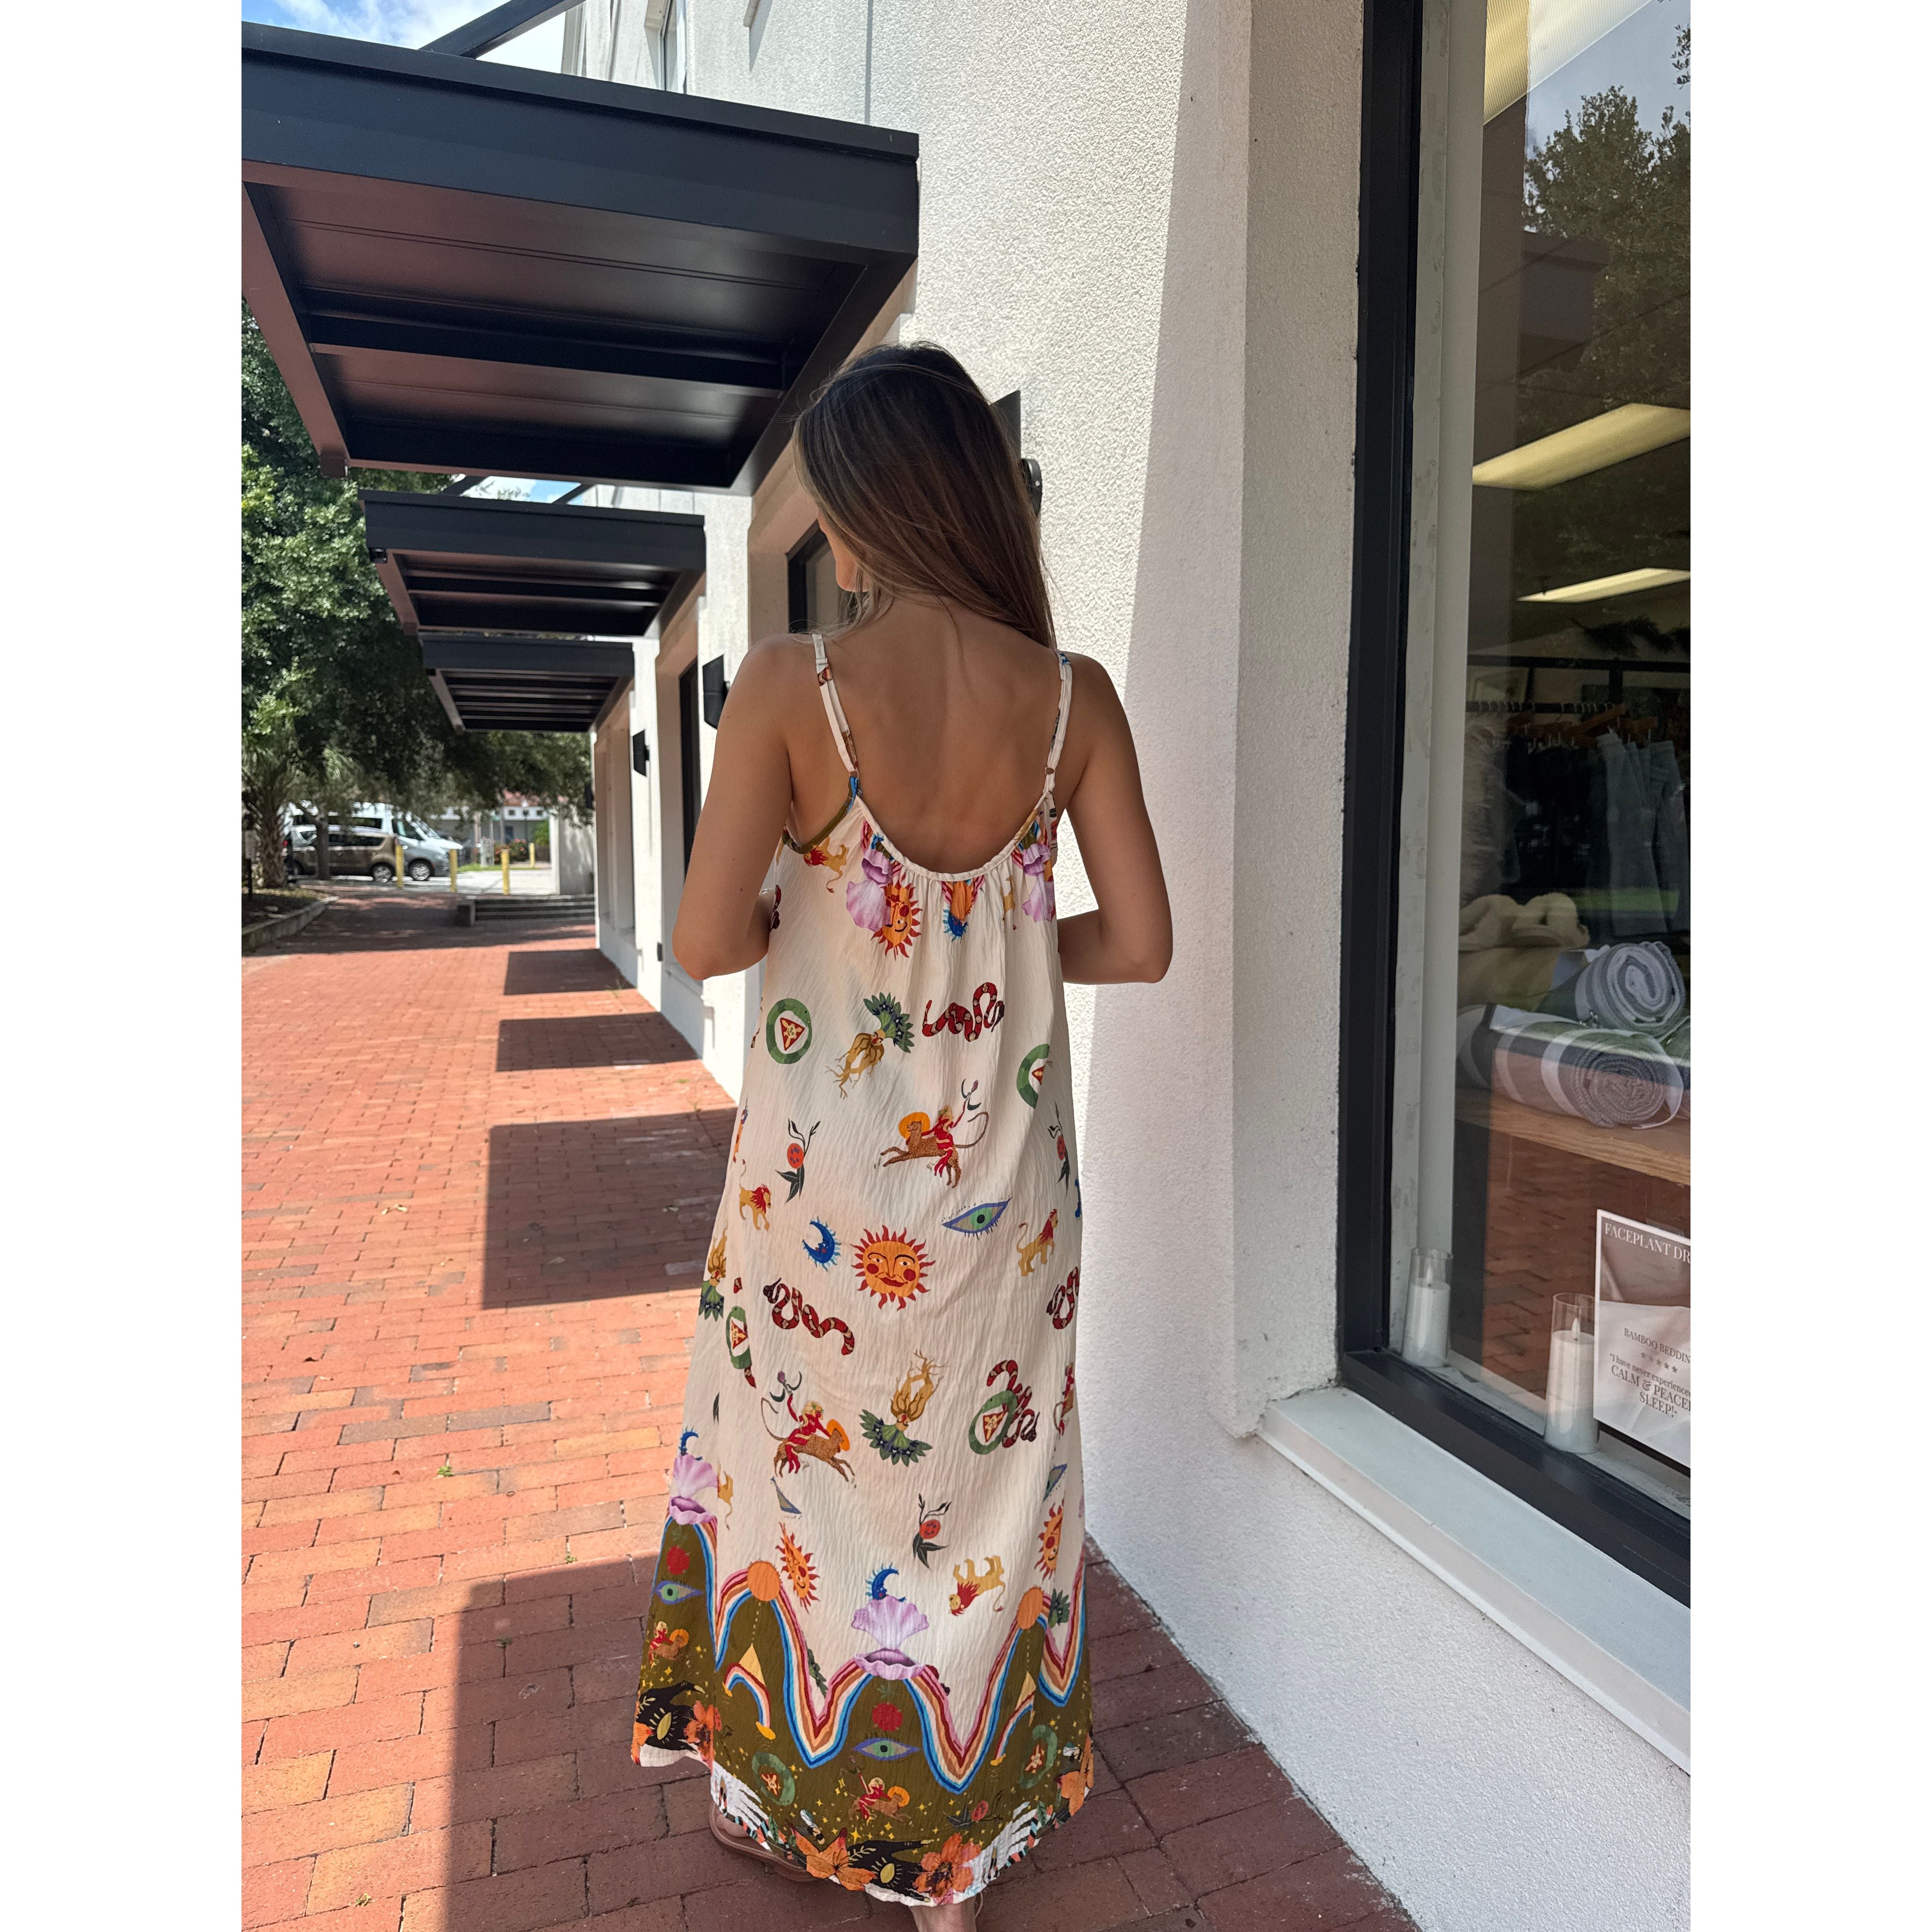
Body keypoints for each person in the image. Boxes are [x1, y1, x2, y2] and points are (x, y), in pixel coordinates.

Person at [631, 344, 1172, 1926]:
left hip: (823, 1196)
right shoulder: (1073, 700)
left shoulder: (793, 687)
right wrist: (1003, 952)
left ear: (871, 511)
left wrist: (821, 922)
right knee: (990, 1505)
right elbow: (1139, 942)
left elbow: (704, 939)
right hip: (1009, 1204)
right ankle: (952, 1866)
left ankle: (792, 1795)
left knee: (805, 1490)